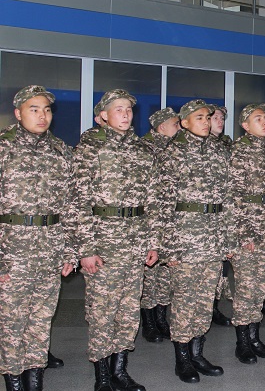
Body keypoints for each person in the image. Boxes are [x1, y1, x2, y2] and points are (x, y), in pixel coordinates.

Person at [74, 89, 159, 391]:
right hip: (103, 243)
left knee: (128, 310)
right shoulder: (90, 147)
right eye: (118, 109)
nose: (125, 114)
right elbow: (78, 200)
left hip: (135, 242)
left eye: (129, 109)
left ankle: (120, 371)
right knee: (102, 311)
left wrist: (152, 241)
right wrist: (85, 248)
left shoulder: (142, 150)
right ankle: (102, 377)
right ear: (102, 116)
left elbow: (152, 200)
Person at [0, 86, 75, 391]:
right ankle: (14, 383)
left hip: (50, 249)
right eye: (34, 109)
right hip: (12, 251)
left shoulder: (61, 151)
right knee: (12, 323)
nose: (42, 115)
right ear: (18, 113)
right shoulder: (3, 147)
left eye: (46, 109)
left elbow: (71, 206)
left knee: (41, 321)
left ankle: (35, 380)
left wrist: (69, 251)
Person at [158, 100, 228, 383]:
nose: (206, 122)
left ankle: (198, 354)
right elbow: (162, 204)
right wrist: (168, 247)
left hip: (213, 237)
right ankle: (183, 359)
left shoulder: (218, 151)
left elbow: (227, 199)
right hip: (185, 239)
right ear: (184, 122)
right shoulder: (172, 152)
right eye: (199, 118)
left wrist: (227, 239)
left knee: (205, 300)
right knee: (185, 300)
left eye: (208, 117)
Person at [227, 104, 265, 364]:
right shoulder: (239, 151)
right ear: (245, 126)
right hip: (248, 231)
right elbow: (232, 196)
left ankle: (255, 337)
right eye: (258, 119)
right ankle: (243, 342)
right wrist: (243, 234)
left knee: (260, 288)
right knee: (246, 289)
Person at [140, 107, 180, 343]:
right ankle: (149, 322)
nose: (179, 128)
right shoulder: (145, 149)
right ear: (162, 126)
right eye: (176, 124)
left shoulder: (176, 148)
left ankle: (162, 318)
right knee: (149, 275)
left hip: (171, 221)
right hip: (152, 221)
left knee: (165, 275)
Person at [209, 105, 234, 327]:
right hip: (205, 221)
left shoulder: (226, 146)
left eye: (222, 118)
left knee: (222, 269)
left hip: (224, 218)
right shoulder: (201, 146)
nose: (220, 121)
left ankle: (214, 307)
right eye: (215, 117)